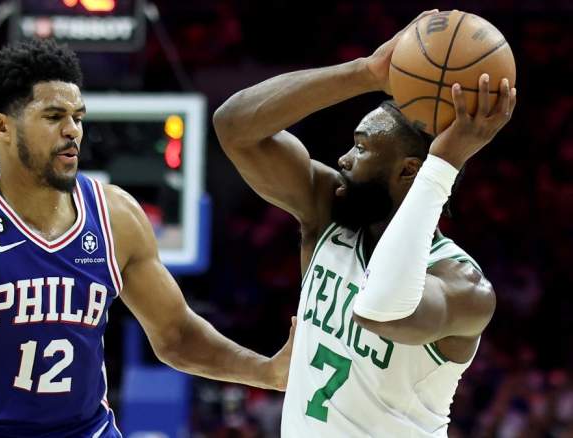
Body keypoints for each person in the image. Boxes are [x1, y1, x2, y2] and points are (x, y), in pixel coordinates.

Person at [0, 38, 294, 438]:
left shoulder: (116, 215)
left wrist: (266, 371)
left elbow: (175, 335)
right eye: (53, 116)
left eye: (78, 116)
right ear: (1, 127)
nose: (73, 130)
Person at [213, 9, 517, 437]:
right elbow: (234, 126)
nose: (343, 159)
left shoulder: (464, 287)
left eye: (361, 147)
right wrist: (366, 72)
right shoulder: (328, 212)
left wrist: (446, 159)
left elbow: (382, 310)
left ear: (409, 170)